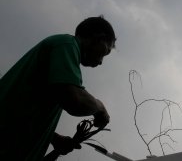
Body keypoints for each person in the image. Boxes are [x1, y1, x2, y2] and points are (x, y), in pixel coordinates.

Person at [0, 16, 116, 160]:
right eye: (105, 51)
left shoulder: (62, 57)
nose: (100, 62)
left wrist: (53, 138)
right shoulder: (67, 44)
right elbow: (74, 100)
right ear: (97, 37)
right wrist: (100, 107)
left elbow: (17, 112)